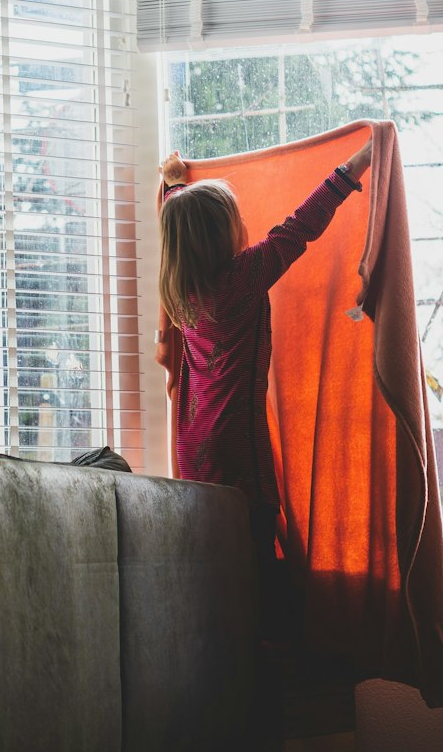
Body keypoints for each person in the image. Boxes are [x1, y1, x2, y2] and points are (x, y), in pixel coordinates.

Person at [157, 136, 373, 637]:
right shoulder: (244, 277)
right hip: (240, 458)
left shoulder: (180, 285)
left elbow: (177, 225)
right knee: (256, 580)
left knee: (218, 584)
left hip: (193, 456)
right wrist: (357, 164)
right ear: (224, 236)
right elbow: (301, 227)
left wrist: (172, 186)